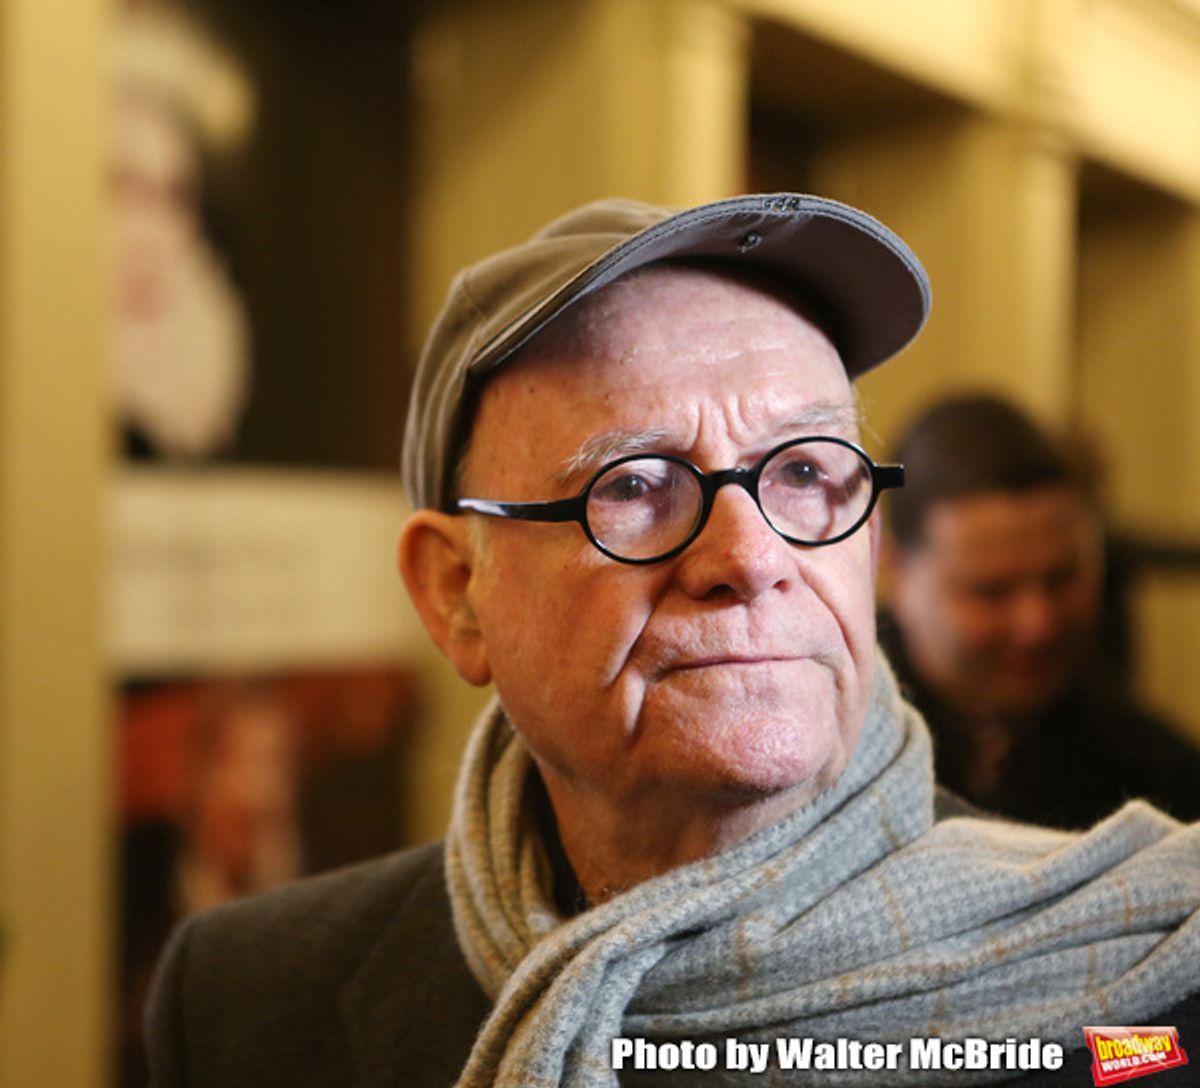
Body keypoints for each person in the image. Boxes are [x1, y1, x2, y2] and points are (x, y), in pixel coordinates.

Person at [146, 194, 1200, 1087]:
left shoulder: (1147, 976)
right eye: (637, 484)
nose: (749, 555)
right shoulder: (250, 1001)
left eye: (800, 472)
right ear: (458, 592)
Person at [881, 394, 1200, 828]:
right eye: (991, 591)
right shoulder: (825, 750)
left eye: (1061, 579)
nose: (1038, 624)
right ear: (896, 570)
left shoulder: (1163, 786)